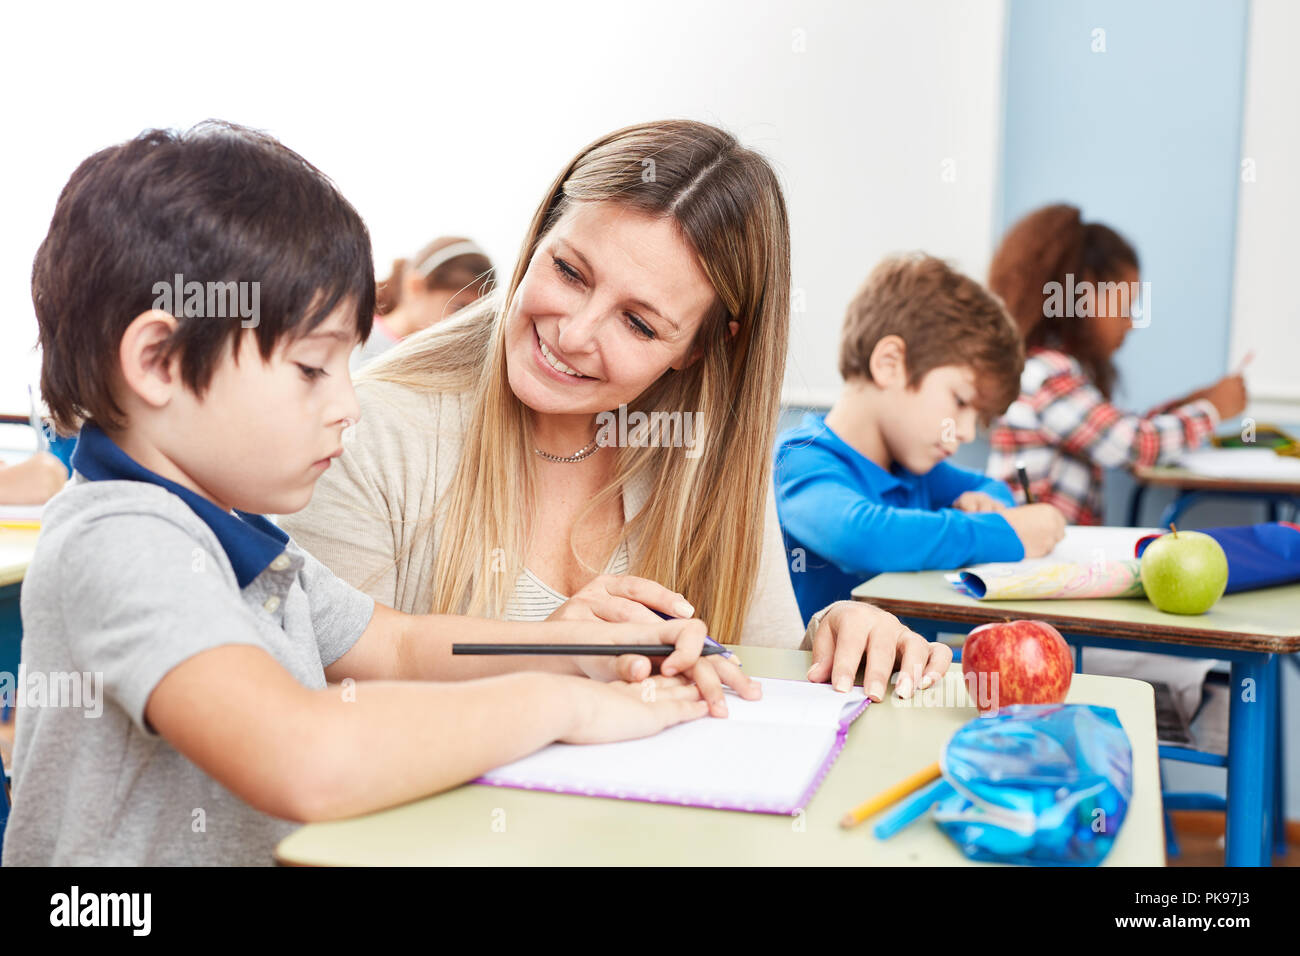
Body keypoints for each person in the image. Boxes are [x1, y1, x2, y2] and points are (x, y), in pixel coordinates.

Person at [4, 121, 739, 866]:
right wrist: (566, 705)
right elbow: (305, 755)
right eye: (311, 369)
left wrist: (575, 648)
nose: (348, 405)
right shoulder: (124, 540)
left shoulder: (239, 535)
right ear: (159, 361)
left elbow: (399, 645)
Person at [283, 120, 954, 703]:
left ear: (699, 350)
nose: (574, 334)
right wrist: (540, 659)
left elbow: (753, 672)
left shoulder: (702, 456)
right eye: (570, 272)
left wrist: (833, 636)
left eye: (637, 322)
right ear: (540, 233)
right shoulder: (365, 430)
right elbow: (318, 710)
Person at [774, 254, 1065, 624]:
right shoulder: (799, 459)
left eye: (980, 418)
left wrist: (988, 503)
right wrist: (1005, 531)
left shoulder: (916, 469)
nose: (967, 432)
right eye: (960, 402)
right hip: (822, 679)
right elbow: (863, 538)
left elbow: (992, 487)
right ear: (890, 364)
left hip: (909, 673)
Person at [985, 204, 1247, 524]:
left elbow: (1116, 430)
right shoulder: (1046, 377)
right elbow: (1133, 444)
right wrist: (1213, 409)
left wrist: (1192, 402)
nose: (1131, 322)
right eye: (1124, 307)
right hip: (1034, 560)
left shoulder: (1052, 371)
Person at [353, 237, 494, 369]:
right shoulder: (355, 340)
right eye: (459, 308)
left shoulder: (432, 363)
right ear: (415, 286)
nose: (466, 325)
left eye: (476, 314)